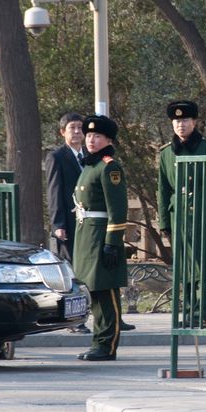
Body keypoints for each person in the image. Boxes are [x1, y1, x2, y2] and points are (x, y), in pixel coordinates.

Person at [157, 100, 206, 328]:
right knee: (184, 268)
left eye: (184, 120)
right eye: (176, 121)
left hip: (203, 215)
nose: (180, 125)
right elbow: (163, 189)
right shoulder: (166, 153)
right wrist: (164, 220)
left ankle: (201, 315)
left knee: (202, 268)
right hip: (179, 217)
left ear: (194, 122)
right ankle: (187, 313)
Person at [73, 115, 129, 361]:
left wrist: (112, 244)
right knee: (94, 292)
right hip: (86, 235)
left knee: (106, 293)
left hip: (100, 235)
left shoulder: (109, 167)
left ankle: (107, 344)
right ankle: (98, 341)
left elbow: (117, 209)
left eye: (97, 136)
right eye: (89, 135)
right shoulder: (90, 166)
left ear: (108, 140)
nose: (91, 140)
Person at [46, 112, 91, 334]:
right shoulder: (57, 157)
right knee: (73, 272)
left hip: (89, 225)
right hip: (69, 224)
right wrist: (58, 224)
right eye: (72, 128)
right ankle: (74, 320)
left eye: (80, 128)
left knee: (88, 270)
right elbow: (54, 193)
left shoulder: (89, 155)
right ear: (62, 132)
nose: (76, 132)